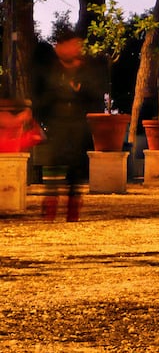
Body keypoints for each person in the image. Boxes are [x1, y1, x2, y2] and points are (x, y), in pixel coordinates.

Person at [31, 31, 102, 222]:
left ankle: (72, 210)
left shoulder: (87, 70)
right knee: (53, 165)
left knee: (76, 168)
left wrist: (81, 90)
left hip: (79, 124)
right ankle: (50, 207)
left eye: (77, 45)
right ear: (59, 47)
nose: (75, 49)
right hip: (57, 124)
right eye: (71, 45)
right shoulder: (49, 70)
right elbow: (39, 96)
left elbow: (96, 95)